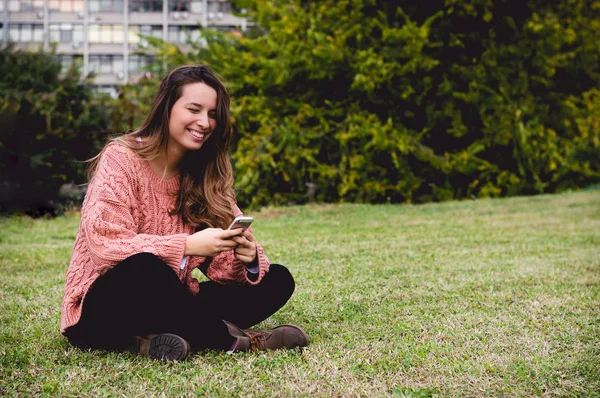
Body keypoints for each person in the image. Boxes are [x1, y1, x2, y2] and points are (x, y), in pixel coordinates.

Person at [60, 65, 309, 361]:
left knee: (277, 279)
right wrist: (188, 246)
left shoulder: (205, 175)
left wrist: (248, 259)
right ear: (167, 108)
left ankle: (153, 339)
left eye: (213, 114)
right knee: (146, 269)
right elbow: (105, 249)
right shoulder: (121, 159)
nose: (204, 122)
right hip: (103, 307)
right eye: (194, 109)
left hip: (170, 299)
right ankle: (233, 338)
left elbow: (222, 271)